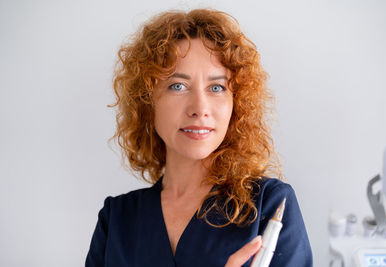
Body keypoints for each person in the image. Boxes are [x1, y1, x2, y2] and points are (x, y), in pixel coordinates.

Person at [85, 8, 313, 267]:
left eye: (216, 88)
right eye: (177, 86)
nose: (199, 108)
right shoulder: (117, 220)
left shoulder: (269, 206)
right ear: (147, 101)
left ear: (235, 104)